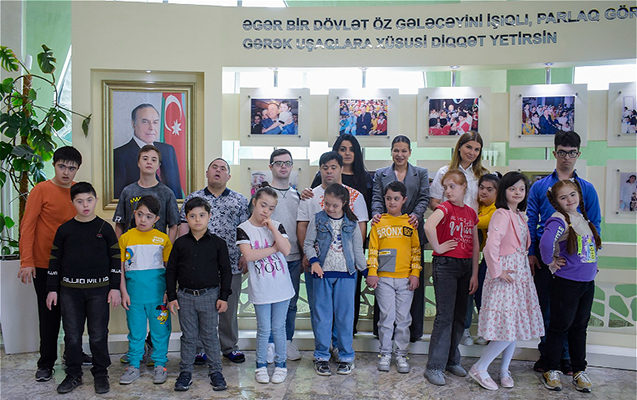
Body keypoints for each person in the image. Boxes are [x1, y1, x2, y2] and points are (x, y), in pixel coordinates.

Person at [527, 131, 601, 375]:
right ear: (554, 152)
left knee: (574, 315)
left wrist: (591, 259)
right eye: (562, 152)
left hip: (575, 260)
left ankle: (567, 358)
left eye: (571, 153)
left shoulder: (586, 188)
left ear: (578, 154)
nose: (566, 157)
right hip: (546, 258)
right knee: (547, 308)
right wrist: (533, 252)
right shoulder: (540, 186)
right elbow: (531, 220)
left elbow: (594, 225)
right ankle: (548, 356)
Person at [468, 172, 544, 391]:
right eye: (512, 189)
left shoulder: (518, 214)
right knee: (508, 325)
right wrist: (497, 270)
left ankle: (504, 370)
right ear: (504, 191)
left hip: (519, 273)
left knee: (515, 324)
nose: (517, 193)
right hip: (506, 274)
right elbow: (490, 245)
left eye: (521, 189)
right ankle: (480, 367)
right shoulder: (501, 213)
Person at [45, 182, 121, 395]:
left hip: (99, 292)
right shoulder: (65, 230)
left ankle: (101, 374)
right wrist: (52, 289)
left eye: (89, 200)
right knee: (72, 335)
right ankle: (73, 374)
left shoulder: (105, 229)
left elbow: (116, 259)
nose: (85, 205)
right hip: (69, 292)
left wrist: (115, 287)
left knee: (98, 334)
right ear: (72, 203)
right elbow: (54, 260)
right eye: (79, 201)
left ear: (96, 200)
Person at [18, 146, 85, 382]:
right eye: (62, 166)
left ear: (77, 169)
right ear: (54, 165)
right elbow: (27, 226)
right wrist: (27, 261)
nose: (66, 172)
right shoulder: (41, 190)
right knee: (49, 316)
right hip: (44, 264)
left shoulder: (78, 192)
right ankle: (46, 363)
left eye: (71, 168)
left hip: (72, 265)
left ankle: (73, 354)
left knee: (75, 315)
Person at [179, 158, 250, 364]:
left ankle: (229, 346)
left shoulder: (239, 200)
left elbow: (246, 230)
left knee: (228, 308)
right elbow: (183, 226)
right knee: (200, 309)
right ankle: (199, 349)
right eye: (214, 167)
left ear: (228, 176)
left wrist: (245, 255)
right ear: (207, 173)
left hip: (231, 264)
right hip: (199, 266)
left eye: (223, 168)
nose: (218, 171)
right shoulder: (194, 198)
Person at [297, 151, 369, 339]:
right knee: (319, 308)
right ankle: (322, 347)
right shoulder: (309, 195)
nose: (329, 171)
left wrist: (355, 259)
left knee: (343, 309)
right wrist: (307, 255)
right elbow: (303, 225)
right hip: (316, 263)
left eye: (333, 167)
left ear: (341, 169)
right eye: (325, 167)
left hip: (345, 265)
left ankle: (339, 345)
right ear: (320, 170)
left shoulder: (355, 196)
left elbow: (361, 228)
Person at [539, 180, 602, 393]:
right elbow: (546, 243)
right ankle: (551, 369)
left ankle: (579, 370)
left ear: (579, 196)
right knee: (559, 327)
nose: (569, 200)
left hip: (587, 283)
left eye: (572, 195)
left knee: (580, 328)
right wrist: (550, 261)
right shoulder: (559, 220)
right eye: (563, 197)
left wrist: (591, 267)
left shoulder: (582, 218)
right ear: (556, 201)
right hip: (567, 284)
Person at [166, 197, 232, 392]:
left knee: (210, 335)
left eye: (202, 215)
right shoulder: (180, 244)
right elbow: (171, 271)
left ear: (209, 217)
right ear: (186, 218)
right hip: (185, 297)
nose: (197, 220)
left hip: (210, 297)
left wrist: (223, 297)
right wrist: (172, 296)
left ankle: (216, 372)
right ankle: (185, 372)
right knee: (188, 336)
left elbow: (226, 272)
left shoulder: (218, 243)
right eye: (192, 216)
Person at [303, 184, 367, 377]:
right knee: (322, 317)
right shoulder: (317, 219)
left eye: (335, 205)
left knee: (344, 318)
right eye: (327, 204)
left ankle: (346, 356)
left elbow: (357, 251)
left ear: (344, 203)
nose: (330, 208)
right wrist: (314, 261)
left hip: (346, 275)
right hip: (322, 274)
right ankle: (321, 356)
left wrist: (366, 272)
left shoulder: (352, 223)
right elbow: (308, 244)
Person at [423, 170, 479, 386]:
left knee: (459, 317)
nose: (447, 191)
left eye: (452, 186)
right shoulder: (444, 208)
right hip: (446, 266)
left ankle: (451, 360)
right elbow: (428, 226)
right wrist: (438, 247)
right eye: (445, 187)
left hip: (465, 267)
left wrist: (474, 273)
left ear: (464, 186)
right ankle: (434, 366)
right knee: (444, 317)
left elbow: (475, 245)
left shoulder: (471, 213)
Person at [371, 135, 429, 341]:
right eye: (396, 150)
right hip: (387, 233)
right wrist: (377, 214)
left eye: (404, 150)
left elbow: (424, 198)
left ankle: (412, 334)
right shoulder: (381, 174)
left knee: (412, 284)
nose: (400, 154)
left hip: (411, 230)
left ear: (410, 152)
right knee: (383, 284)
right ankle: (383, 335)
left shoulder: (421, 173)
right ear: (391, 151)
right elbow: (377, 198)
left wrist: (416, 215)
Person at [237, 185, 294, 384]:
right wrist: (273, 248)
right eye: (263, 205)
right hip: (261, 288)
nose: (266, 211)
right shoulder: (243, 229)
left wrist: (272, 229)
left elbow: (286, 250)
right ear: (254, 202)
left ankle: (281, 365)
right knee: (263, 329)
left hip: (282, 288)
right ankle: (261, 365)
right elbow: (249, 255)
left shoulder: (277, 226)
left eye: (271, 208)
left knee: (279, 328)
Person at [366, 181, 421, 374]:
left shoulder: (410, 223)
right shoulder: (378, 222)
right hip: (384, 280)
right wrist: (372, 272)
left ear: (404, 200)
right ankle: (385, 353)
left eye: (396, 199)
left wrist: (415, 273)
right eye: (388, 198)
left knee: (404, 319)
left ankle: (401, 354)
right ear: (384, 199)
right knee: (386, 318)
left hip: (405, 279)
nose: (392, 202)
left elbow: (416, 250)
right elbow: (373, 249)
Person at [118, 196, 173, 385]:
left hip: (158, 298)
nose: (143, 220)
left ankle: (160, 364)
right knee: (136, 332)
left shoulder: (163, 239)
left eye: (149, 216)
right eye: (140, 214)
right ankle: (133, 365)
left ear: (156, 219)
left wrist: (168, 292)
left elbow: (169, 269)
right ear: (134, 213)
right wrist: (123, 291)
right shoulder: (125, 238)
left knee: (160, 331)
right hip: (134, 297)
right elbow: (121, 269)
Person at [268, 149, 303, 361]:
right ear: (270, 166)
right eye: (279, 163)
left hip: (294, 258)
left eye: (287, 163)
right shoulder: (263, 195)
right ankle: (271, 344)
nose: (283, 166)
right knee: (271, 303)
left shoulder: (298, 196)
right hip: (270, 258)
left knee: (291, 303)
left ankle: (287, 342)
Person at [462, 173, 501, 347]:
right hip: (486, 256)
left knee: (488, 296)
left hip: (499, 259)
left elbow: (475, 222)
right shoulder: (480, 206)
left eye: (489, 189)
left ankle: (491, 331)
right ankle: (480, 330)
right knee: (478, 292)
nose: (483, 192)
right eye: (481, 188)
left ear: (498, 192)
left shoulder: (497, 210)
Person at [113, 103, 182, 199]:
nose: (151, 127)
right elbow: (119, 197)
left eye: (155, 122)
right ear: (133, 124)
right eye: (145, 122)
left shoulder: (168, 150)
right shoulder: (119, 155)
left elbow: (177, 191)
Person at [113, 144, 180, 243]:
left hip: (157, 247)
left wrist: (168, 248)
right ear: (138, 163)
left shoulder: (167, 193)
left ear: (158, 165)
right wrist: (120, 247)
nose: (149, 162)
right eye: (145, 159)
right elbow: (119, 223)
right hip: (131, 247)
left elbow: (174, 225)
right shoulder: (128, 191)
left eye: (153, 160)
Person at [430, 131, 489, 212]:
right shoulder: (444, 172)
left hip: (474, 219)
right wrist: (447, 214)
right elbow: (433, 202)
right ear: (459, 147)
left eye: (476, 149)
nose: (472, 153)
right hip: (450, 219)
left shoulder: (483, 174)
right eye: (468, 147)